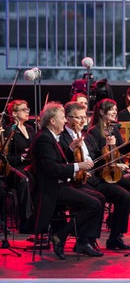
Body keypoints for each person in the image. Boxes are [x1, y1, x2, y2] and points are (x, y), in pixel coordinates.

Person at [29, 102, 103, 259]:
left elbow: (58, 162)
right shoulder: (44, 139)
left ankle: (83, 241)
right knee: (93, 204)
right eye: (63, 118)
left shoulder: (49, 136)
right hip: (51, 189)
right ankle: (61, 236)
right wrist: (79, 166)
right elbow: (52, 169)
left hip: (60, 184)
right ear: (53, 121)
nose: (65, 121)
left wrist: (70, 149)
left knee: (99, 198)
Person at [87, 99, 130, 249]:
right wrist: (109, 153)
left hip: (113, 173)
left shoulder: (113, 128)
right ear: (101, 112)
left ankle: (116, 220)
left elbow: (123, 150)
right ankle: (115, 236)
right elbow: (93, 158)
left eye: (115, 109)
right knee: (124, 196)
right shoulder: (93, 132)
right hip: (101, 176)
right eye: (111, 110)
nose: (114, 112)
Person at [57, 101, 108, 250]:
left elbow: (95, 156)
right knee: (95, 200)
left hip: (90, 176)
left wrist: (107, 149)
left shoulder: (86, 136)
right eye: (78, 117)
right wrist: (71, 149)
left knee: (103, 197)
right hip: (74, 180)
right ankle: (82, 240)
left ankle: (89, 239)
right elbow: (61, 162)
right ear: (68, 118)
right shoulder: (62, 137)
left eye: (83, 117)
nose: (82, 120)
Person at [3, 100, 35, 233]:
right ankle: (26, 222)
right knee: (24, 180)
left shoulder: (30, 128)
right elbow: (4, 157)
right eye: (24, 110)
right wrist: (21, 157)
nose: (27, 112)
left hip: (30, 166)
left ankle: (43, 219)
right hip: (14, 168)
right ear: (14, 113)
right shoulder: (8, 131)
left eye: (27, 109)